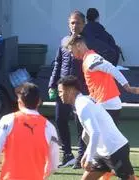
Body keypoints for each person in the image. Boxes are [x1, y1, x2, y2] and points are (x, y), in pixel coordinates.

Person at [57, 75, 137, 180]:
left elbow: (95, 133)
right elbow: (88, 132)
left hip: (115, 150)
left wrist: (89, 158)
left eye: (61, 91)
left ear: (71, 90)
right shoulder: (82, 101)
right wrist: (86, 154)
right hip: (102, 152)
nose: (60, 95)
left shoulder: (82, 105)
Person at [0, 82, 60, 180]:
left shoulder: (7, 120)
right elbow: (54, 165)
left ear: (19, 100)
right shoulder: (50, 127)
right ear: (39, 102)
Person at [64, 34, 139, 125]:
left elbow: (111, 68)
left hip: (107, 105)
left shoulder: (91, 59)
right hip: (105, 104)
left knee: (101, 137)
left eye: (72, 52)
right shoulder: (89, 58)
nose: (72, 55)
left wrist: (127, 87)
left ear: (78, 46)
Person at [48, 10, 87, 169]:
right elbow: (58, 63)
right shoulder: (64, 41)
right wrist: (52, 84)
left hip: (80, 90)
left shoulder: (87, 43)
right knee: (60, 119)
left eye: (78, 22)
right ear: (68, 24)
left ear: (83, 25)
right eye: (72, 22)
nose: (74, 25)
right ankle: (68, 154)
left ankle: (82, 155)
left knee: (81, 124)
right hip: (63, 88)